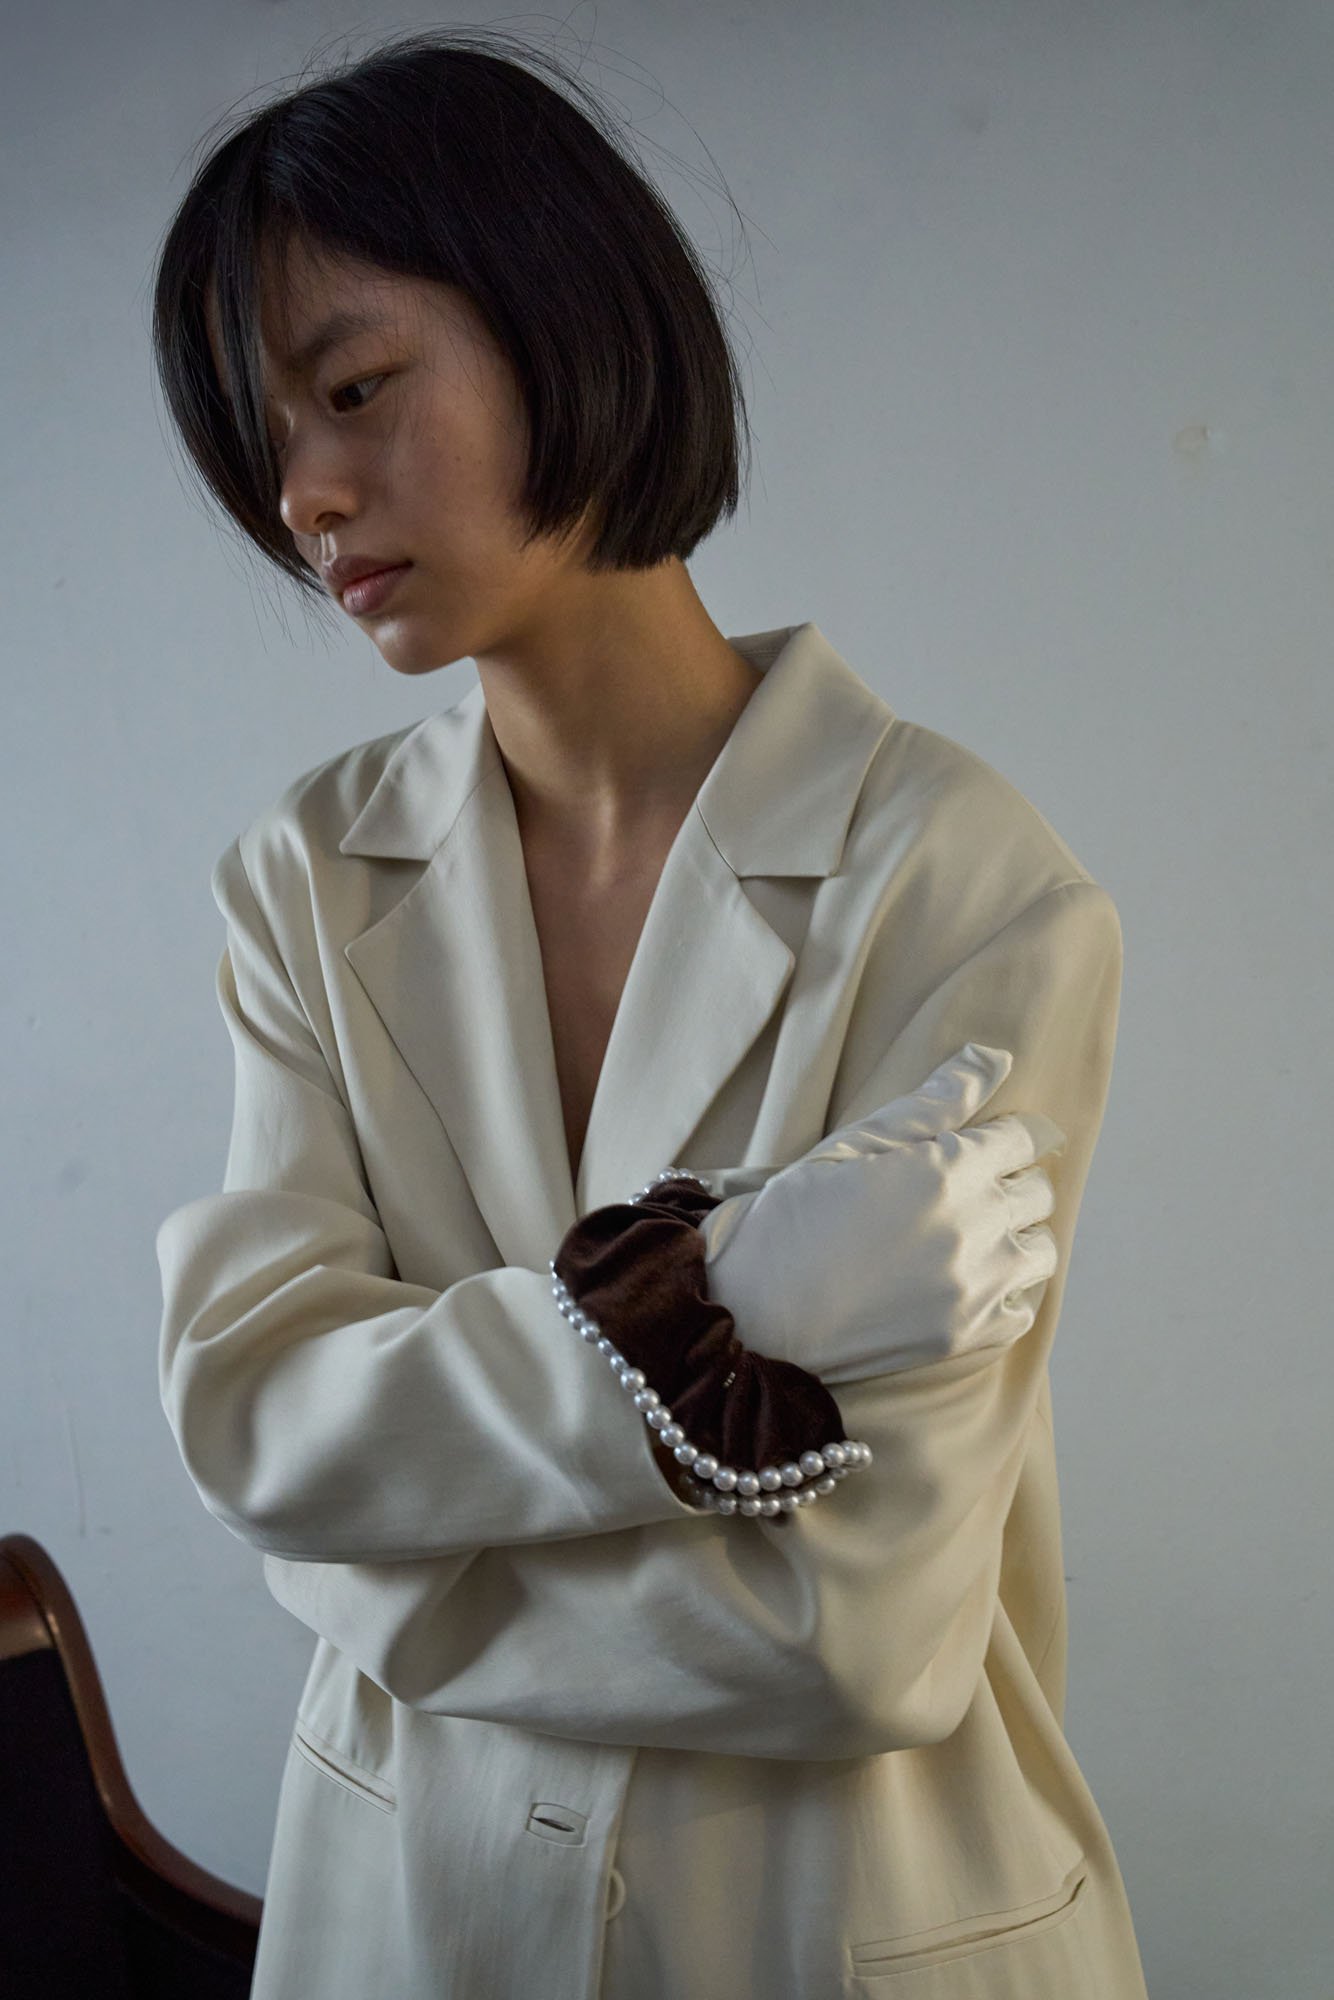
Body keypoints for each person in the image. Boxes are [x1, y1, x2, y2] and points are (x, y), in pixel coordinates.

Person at [150, 27, 1150, 1998]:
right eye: (267, 441)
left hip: (835, 1929)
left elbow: (850, 1637)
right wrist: (712, 1307)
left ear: (564, 317)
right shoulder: (302, 877)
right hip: (407, 1920)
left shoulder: (966, 891)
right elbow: (254, 1427)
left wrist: (379, 1561)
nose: (306, 494)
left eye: (354, 388)